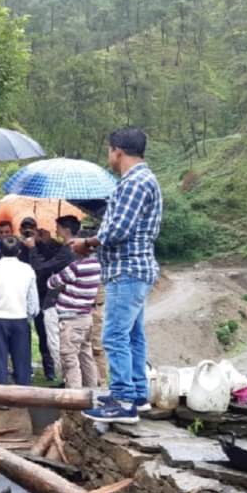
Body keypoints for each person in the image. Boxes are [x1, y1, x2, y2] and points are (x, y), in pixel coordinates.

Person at [70, 127, 163, 424]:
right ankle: (137, 393)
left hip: (127, 269)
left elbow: (118, 230)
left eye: (109, 151)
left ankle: (123, 401)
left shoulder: (134, 182)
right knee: (133, 335)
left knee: (114, 335)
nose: (109, 156)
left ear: (117, 151)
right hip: (135, 268)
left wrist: (86, 243)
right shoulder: (142, 180)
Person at [0, 237, 39, 386]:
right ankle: (24, 393)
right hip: (20, 318)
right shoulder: (27, 269)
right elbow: (33, 302)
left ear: (0, 251)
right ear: (19, 251)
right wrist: (29, 315)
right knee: (22, 359)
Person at [47, 217, 101, 389]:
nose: (71, 247)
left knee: (70, 361)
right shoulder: (97, 264)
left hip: (71, 321)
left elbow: (52, 282)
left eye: (74, 244)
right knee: (86, 358)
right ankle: (93, 393)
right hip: (86, 318)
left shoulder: (76, 267)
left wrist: (55, 278)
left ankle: (74, 400)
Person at [20, 217, 69, 383]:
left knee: (44, 335)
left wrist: (42, 242)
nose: (28, 231)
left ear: (37, 229)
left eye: (31, 228)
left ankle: (49, 370)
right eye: (25, 228)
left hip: (42, 294)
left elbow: (50, 263)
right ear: (20, 230)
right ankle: (25, 368)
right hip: (23, 296)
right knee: (23, 335)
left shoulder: (44, 246)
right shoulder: (18, 247)